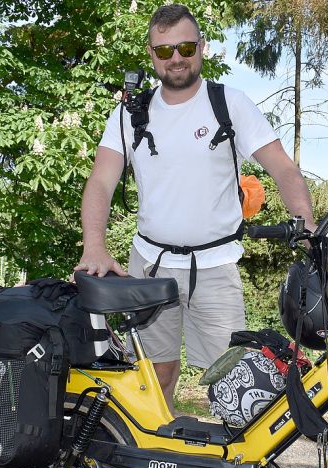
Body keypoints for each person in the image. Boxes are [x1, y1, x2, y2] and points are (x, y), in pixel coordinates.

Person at [74, 5, 314, 416]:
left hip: (217, 266)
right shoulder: (129, 115)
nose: (176, 58)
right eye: (164, 51)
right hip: (150, 264)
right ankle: (151, 464)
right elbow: (100, 181)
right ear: (151, 55)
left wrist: (308, 226)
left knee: (232, 381)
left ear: (201, 47)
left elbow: (283, 169)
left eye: (185, 46)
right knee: (155, 376)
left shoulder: (230, 104)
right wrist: (93, 245)